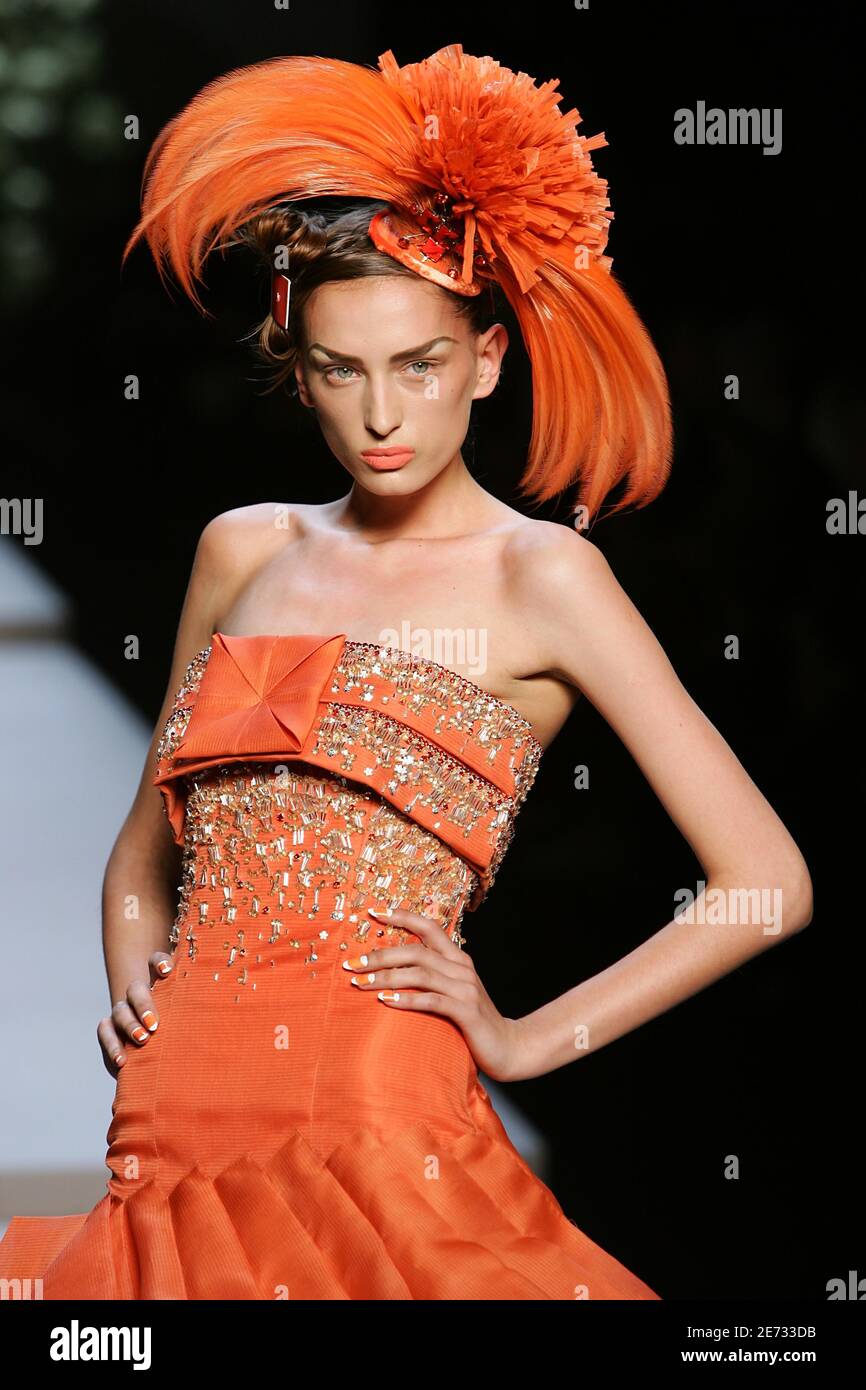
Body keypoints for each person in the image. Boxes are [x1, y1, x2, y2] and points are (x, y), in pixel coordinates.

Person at [0, 45, 811, 1301]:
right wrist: (138, 998)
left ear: (485, 361)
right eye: (342, 370)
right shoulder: (243, 547)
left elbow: (765, 883)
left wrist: (526, 1037)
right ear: (300, 374)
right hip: (167, 1112)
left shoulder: (542, 577)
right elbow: (140, 850)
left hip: (378, 1099)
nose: (384, 415)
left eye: (420, 366)